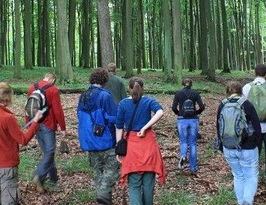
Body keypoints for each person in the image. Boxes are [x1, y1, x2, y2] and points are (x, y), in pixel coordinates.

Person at [0, 82, 43, 205]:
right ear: (8, 97)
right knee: (8, 201)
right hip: (6, 165)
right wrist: (36, 122)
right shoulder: (8, 118)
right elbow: (23, 139)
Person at [116, 77, 166, 205]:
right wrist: (145, 127)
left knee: (134, 185)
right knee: (148, 186)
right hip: (149, 146)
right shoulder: (148, 101)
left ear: (129, 88)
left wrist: (118, 148)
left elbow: (119, 127)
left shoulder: (123, 104)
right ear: (142, 88)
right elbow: (160, 112)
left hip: (132, 148)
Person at [77, 68, 120, 205]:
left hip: (88, 139)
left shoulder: (83, 96)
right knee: (113, 168)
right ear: (105, 80)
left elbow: (80, 117)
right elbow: (112, 117)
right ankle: (103, 193)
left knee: (97, 171)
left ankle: (104, 199)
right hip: (105, 139)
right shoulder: (105, 96)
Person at [216, 81, 262, 205]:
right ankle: (247, 201)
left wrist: (221, 145)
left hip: (229, 147)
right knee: (251, 175)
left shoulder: (222, 105)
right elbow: (257, 128)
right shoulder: (247, 104)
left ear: (227, 91)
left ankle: (241, 202)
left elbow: (218, 126)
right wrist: (258, 145)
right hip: (248, 147)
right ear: (241, 91)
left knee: (238, 176)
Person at [27, 72, 67, 193]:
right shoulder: (53, 90)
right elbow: (57, 110)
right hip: (47, 124)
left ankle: (53, 179)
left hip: (35, 122)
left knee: (47, 152)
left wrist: (29, 124)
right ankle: (38, 176)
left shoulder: (32, 87)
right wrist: (63, 127)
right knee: (50, 151)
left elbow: (27, 107)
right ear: (52, 79)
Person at [171, 77, 205, 173]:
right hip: (193, 120)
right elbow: (202, 107)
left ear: (183, 84)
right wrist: (196, 112)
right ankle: (193, 167)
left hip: (182, 120)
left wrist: (179, 113)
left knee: (183, 141)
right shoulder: (195, 93)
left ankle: (183, 155)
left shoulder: (178, 93)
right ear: (191, 84)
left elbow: (173, 107)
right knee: (193, 143)